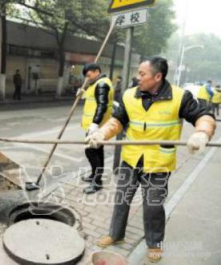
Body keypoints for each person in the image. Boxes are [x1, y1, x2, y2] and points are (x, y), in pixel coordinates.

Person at [85, 57, 216, 262]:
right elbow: (117, 120)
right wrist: (102, 134)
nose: (138, 78)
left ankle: (155, 243)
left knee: (153, 205)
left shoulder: (180, 96)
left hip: (159, 163)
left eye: (142, 74)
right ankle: (116, 235)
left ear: (157, 76)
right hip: (130, 159)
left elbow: (204, 116)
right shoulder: (130, 95)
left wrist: (202, 133)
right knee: (121, 199)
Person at [76, 63, 114, 194]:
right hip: (97, 125)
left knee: (91, 151)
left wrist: (95, 124)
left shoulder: (102, 84)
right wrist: (82, 93)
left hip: (97, 126)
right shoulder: (97, 83)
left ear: (96, 71)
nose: (88, 77)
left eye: (89, 74)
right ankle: (94, 176)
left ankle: (97, 182)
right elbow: (92, 98)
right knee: (97, 151)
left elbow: (102, 105)